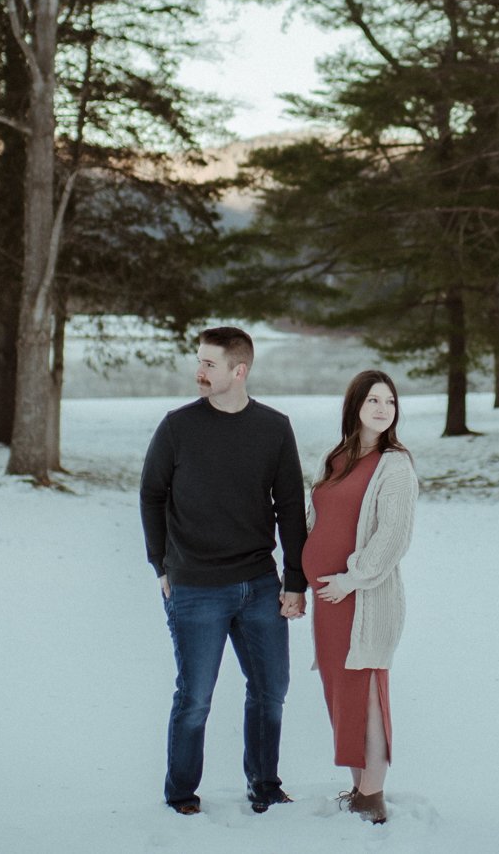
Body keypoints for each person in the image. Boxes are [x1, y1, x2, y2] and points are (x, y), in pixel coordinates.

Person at [139, 326, 307, 817]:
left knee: (271, 691)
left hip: (259, 583)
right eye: (199, 362)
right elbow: (152, 495)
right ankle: (181, 795)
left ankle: (264, 785)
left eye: (209, 364)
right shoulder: (177, 427)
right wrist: (161, 564)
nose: (199, 371)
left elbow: (291, 507)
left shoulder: (274, 428)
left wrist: (294, 580)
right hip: (194, 586)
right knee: (195, 697)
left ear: (239, 370)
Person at [305, 369, 419, 825]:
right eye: (373, 400)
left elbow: (393, 536)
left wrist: (351, 579)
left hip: (363, 599)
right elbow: (317, 522)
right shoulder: (335, 458)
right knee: (341, 692)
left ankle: (372, 796)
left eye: (389, 402)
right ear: (354, 406)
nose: (382, 409)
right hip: (328, 602)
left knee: (368, 690)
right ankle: (357, 787)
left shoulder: (394, 464)